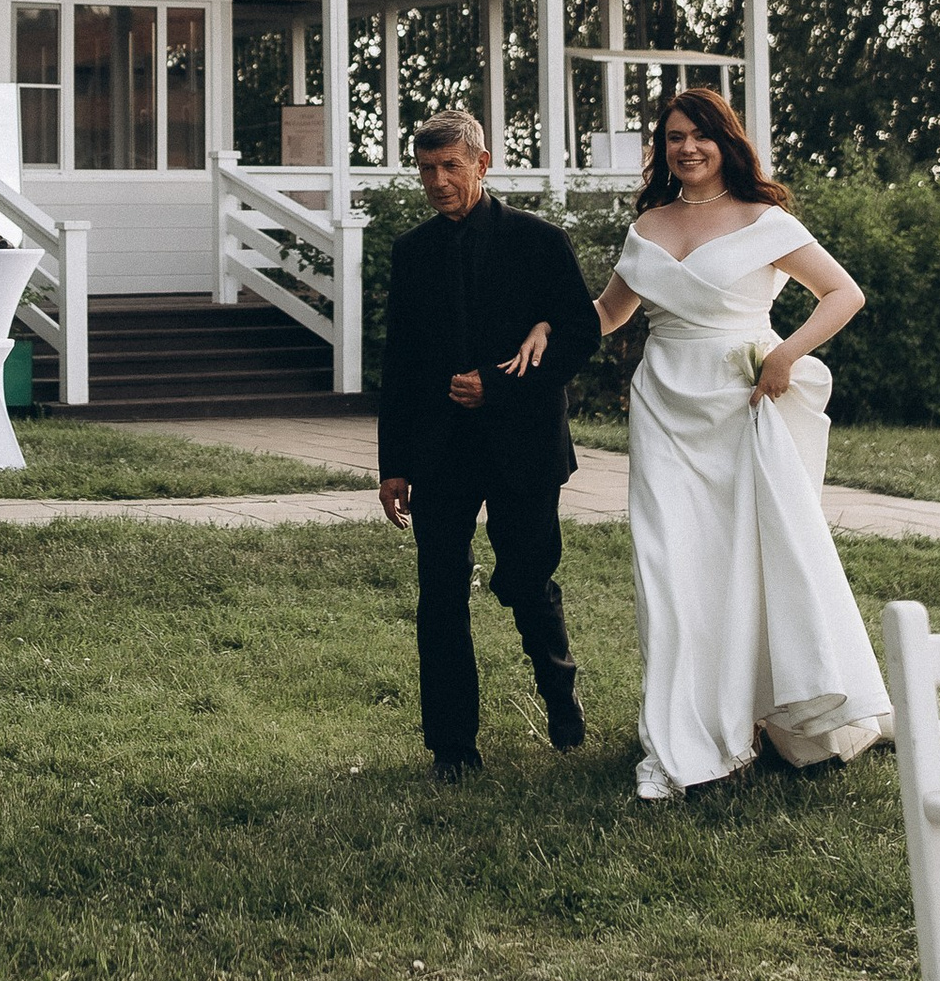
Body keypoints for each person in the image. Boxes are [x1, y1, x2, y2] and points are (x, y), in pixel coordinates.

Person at [591, 86, 888, 801]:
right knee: (669, 568)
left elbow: (843, 294)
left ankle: (761, 715)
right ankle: (680, 737)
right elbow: (606, 313)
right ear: (660, 151)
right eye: (672, 138)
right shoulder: (648, 226)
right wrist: (543, 325)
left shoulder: (766, 221)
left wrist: (786, 354)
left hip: (740, 402)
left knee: (750, 562)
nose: (686, 147)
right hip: (664, 406)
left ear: (726, 141)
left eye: (700, 135)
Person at [377, 108, 602, 781]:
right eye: (425, 169)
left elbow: (578, 336)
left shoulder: (539, 241)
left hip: (524, 444)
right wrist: (393, 465)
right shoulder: (411, 252)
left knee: (527, 581)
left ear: (483, 162)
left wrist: (498, 391)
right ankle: (452, 748)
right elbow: (402, 365)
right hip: (440, 450)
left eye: (450, 166)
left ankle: (561, 700)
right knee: (439, 594)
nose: (438, 180)